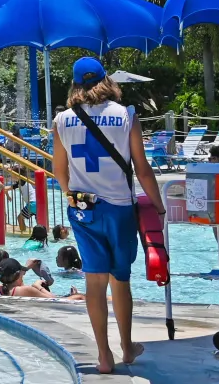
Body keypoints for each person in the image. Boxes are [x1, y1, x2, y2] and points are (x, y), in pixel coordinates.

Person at [51, 57, 163, 373]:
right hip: (119, 207)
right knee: (120, 279)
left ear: (75, 84)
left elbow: (59, 170)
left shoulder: (62, 120)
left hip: (83, 207)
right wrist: (159, 207)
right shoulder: (126, 115)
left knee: (94, 280)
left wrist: (73, 196)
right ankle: (127, 347)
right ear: (106, 81)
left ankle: (103, 356)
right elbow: (142, 169)